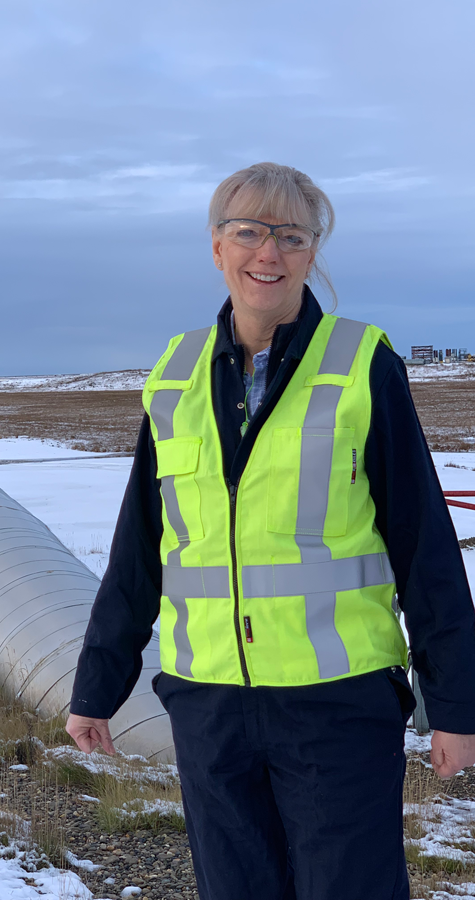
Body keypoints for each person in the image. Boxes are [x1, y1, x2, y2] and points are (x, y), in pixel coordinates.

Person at [65, 162, 475, 900]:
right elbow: (140, 547)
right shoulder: (174, 374)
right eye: (248, 231)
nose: (268, 253)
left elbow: (424, 548)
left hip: (336, 703)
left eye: (290, 235)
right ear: (216, 246)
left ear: (312, 252)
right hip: (209, 699)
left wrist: (455, 707)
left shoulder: (359, 363)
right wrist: (97, 684)